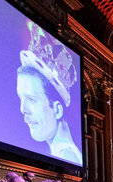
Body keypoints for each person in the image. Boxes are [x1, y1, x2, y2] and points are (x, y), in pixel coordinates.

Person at [16, 23, 82, 166]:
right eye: (21, 98)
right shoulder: (63, 153)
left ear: (57, 109)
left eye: (32, 99)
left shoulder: (67, 154)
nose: (23, 109)